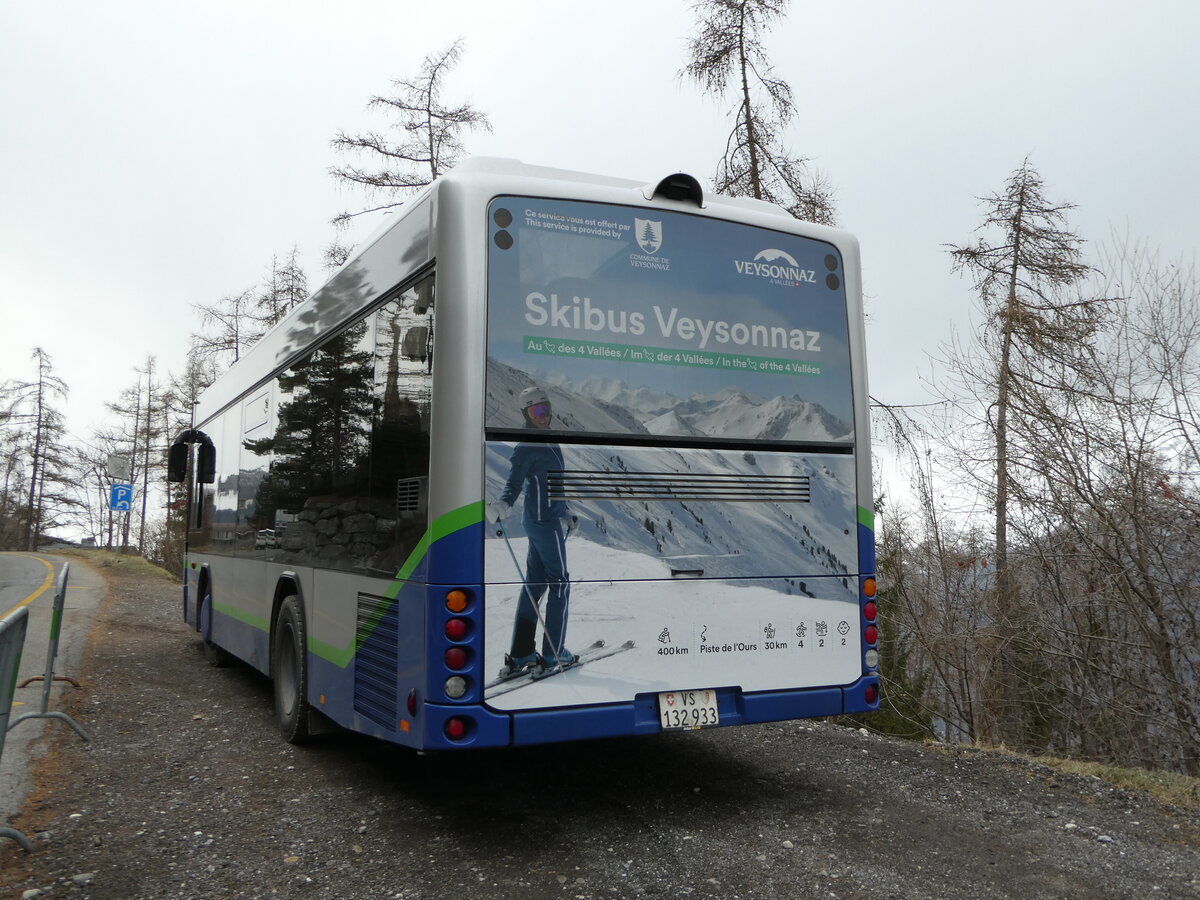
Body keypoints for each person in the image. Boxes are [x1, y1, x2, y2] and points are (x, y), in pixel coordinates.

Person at [487, 386, 578, 678]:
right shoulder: (526, 446)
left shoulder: (550, 441)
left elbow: (550, 485)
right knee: (560, 583)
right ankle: (553, 653)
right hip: (543, 524)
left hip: (544, 519)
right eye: (537, 411)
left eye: (547, 408)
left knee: (535, 585)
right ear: (527, 414)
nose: (544, 415)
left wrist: (565, 512)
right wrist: (503, 503)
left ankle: (521, 652)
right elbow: (514, 481)